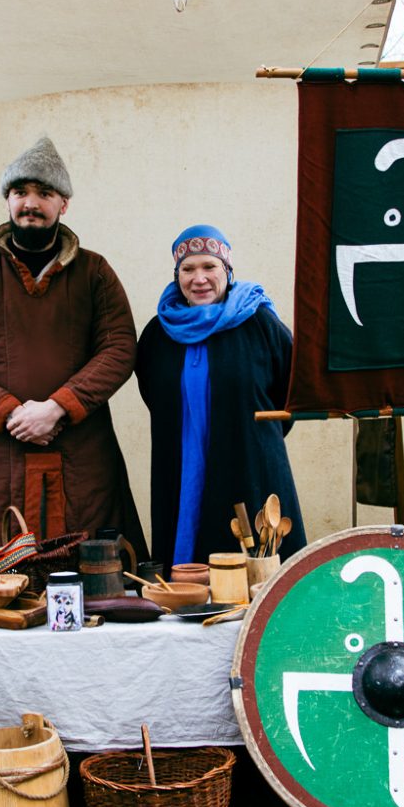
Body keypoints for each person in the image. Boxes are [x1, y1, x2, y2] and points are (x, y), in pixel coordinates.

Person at [0, 135, 144, 551]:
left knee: (92, 569)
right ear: (7, 200)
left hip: (82, 452)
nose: (31, 203)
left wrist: (57, 407)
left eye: (44, 193)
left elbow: (119, 348)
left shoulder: (95, 273)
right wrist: (11, 412)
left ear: (64, 204)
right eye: (20, 192)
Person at [137, 224, 305, 568]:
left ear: (227, 270)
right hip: (181, 459)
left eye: (209, 266)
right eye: (188, 269)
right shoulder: (158, 333)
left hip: (249, 458)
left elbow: (291, 389)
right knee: (189, 556)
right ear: (177, 275)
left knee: (257, 557)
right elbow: (152, 392)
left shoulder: (260, 323)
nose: (199, 278)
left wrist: (251, 432)